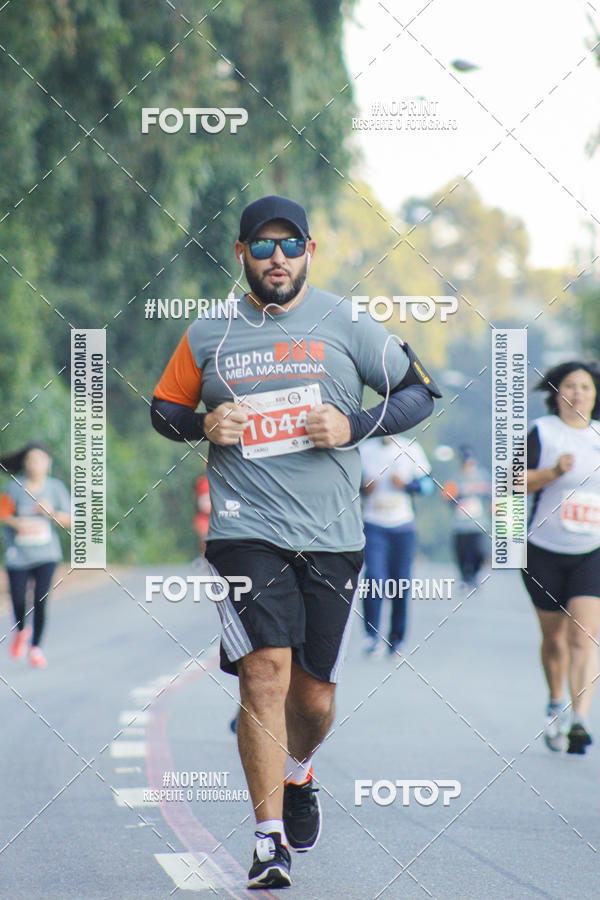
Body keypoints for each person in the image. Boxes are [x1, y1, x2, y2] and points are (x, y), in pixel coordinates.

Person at [150, 195, 440, 888]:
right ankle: (267, 839)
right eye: (261, 245)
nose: (275, 258)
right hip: (244, 532)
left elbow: (419, 394)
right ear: (242, 253)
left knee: (312, 700)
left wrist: (354, 426)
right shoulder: (208, 333)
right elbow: (164, 409)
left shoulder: (346, 321)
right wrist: (203, 425)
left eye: (288, 245)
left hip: (332, 535)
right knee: (264, 673)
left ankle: (299, 771)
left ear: (309, 251)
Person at [521, 362, 600, 755]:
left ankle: (581, 719)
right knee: (554, 639)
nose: (579, 393)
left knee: (583, 636)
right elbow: (512, 482)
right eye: (571, 386)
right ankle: (556, 705)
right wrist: (553, 472)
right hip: (543, 551)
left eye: (586, 386)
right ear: (557, 394)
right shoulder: (542, 432)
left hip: (593, 551)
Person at [359, 434, 433, 657]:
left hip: (402, 525)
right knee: (374, 578)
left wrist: (408, 485)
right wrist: (364, 488)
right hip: (373, 523)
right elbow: (348, 483)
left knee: (400, 583)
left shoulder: (411, 448)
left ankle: (396, 638)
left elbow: (428, 485)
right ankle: (372, 636)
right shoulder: (364, 449)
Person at [0, 443, 71, 668]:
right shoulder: (14, 487)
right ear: (25, 463)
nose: (35, 465)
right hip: (18, 555)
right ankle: (21, 630)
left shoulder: (55, 488)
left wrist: (51, 513)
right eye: (30, 460)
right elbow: (2, 513)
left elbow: (69, 520)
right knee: (19, 599)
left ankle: (36, 647)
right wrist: (16, 522)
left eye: (39, 460)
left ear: (47, 463)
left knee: (41, 599)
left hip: (46, 554)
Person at [442, 446, 491, 587]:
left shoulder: (483, 475)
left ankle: (474, 574)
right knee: (462, 553)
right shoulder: (455, 478)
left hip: (478, 523)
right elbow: (447, 496)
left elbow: (493, 492)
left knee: (479, 552)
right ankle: (466, 577)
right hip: (460, 524)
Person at [193, 473, 211, 557]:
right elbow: (196, 499)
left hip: (218, 517)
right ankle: (203, 556)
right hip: (203, 516)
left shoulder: (222, 481)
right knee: (203, 535)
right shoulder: (201, 482)